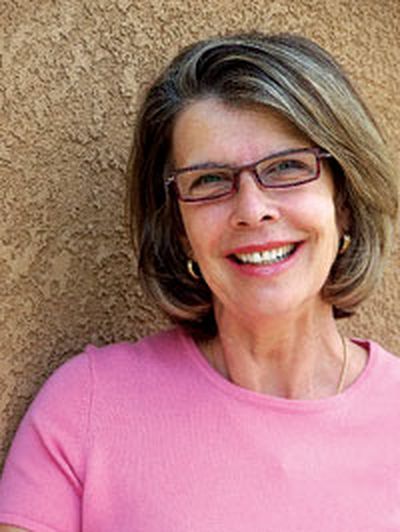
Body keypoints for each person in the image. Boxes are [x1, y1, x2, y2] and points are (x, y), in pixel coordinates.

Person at [0, 32, 398, 531]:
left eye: (287, 167)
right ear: (179, 230)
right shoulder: (86, 407)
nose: (252, 209)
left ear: (344, 202)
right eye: (209, 180)